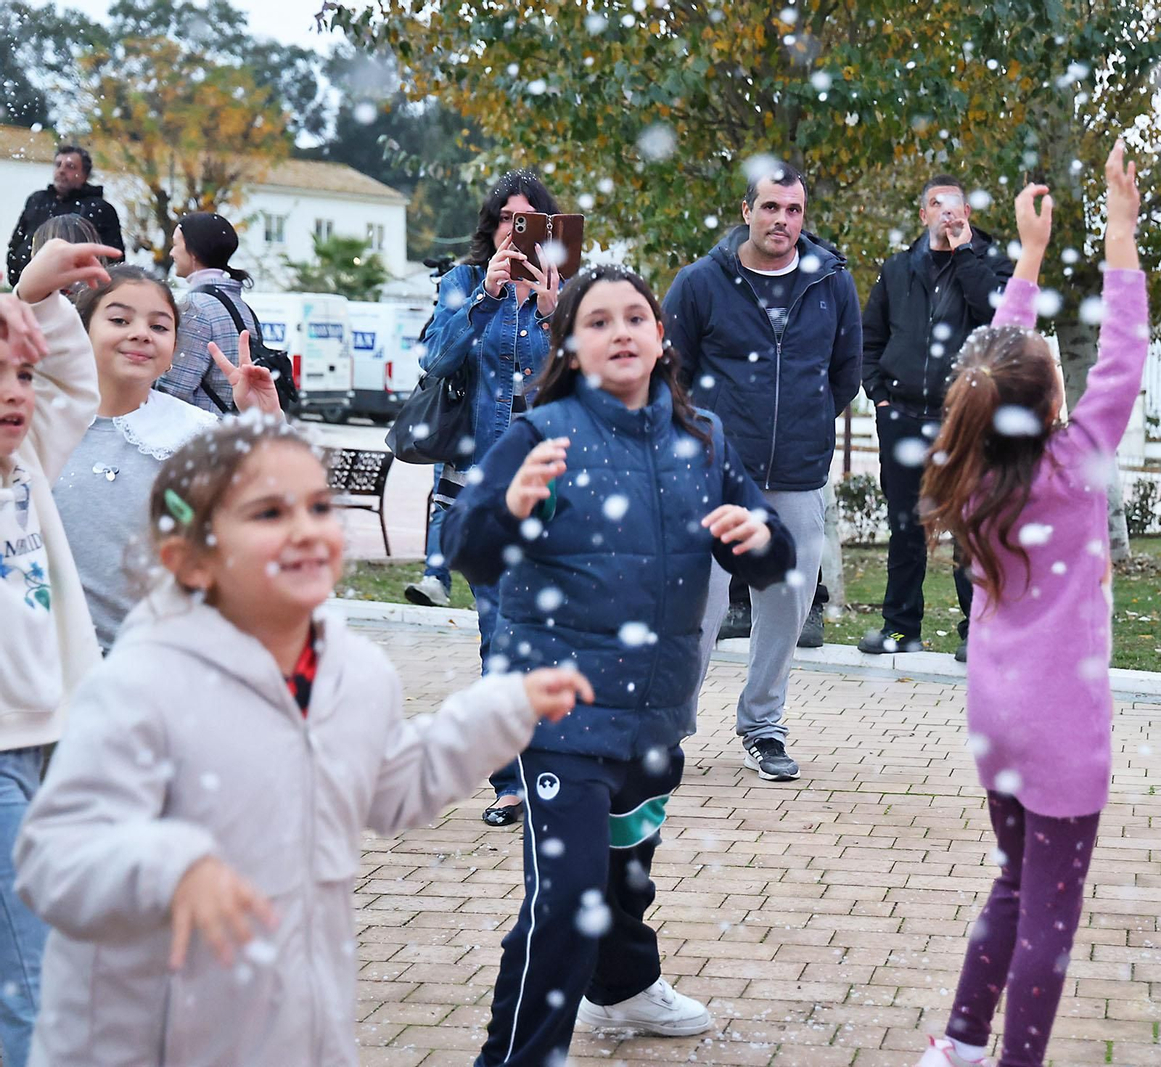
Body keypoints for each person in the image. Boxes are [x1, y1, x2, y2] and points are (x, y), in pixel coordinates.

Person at [15, 417, 593, 1067]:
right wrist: (168, 866)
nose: (304, 527)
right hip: (139, 1036)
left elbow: (393, 784)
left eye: (319, 506)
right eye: (267, 511)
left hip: (294, 1025)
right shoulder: (143, 685)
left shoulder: (355, 673)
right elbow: (54, 853)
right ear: (188, 557)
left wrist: (498, 710)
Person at [442, 265, 796, 1066]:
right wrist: (510, 509)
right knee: (565, 904)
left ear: (662, 335)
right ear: (571, 343)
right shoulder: (541, 435)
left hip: (655, 720)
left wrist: (760, 536)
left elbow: (777, 553)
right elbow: (467, 547)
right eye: (598, 320)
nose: (622, 331)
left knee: (622, 887)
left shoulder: (701, 437)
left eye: (636, 315)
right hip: (559, 716)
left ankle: (623, 993)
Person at [913, 145, 1145, 1067]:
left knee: (1015, 881)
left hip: (995, 716)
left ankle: (962, 1044)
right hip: (1061, 724)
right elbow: (1122, 355)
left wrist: (1029, 262)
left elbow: (991, 370)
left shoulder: (970, 468)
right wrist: (1120, 233)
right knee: (1051, 911)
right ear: (1052, 396)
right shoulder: (1075, 463)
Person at [665, 161, 862, 782]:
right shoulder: (701, 283)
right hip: (714, 473)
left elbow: (844, 374)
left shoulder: (831, 282)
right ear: (747, 211)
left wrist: (802, 424)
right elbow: (671, 372)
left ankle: (763, 724)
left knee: (786, 603)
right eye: (771, 207)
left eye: (794, 210)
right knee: (699, 606)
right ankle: (668, 730)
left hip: (799, 475)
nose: (783, 220)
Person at [403, 171, 562, 826]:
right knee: (500, 635)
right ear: (491, 226)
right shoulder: (465, 283)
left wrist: (558, 318)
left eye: (529, 219)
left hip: (560, 487)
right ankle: (511, 778)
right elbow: (434, 360)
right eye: (506, 218)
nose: (515, 229)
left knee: (556, 635)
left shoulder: (570, 291)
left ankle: (556, 766)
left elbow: (600, 376)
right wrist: (487, 299)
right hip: (484, 488)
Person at [0, 239, 118, 1067]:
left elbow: (76, 382)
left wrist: (37, 295)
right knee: (34, 989)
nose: (16, 396)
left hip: (49, 741)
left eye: (19, 378)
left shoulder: (25, 465)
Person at [55, 264, 281, 651]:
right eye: (120, 319)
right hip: (50, 666)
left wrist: (266, 421)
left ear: (174, 349)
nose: (140, 333)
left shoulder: (194, 435)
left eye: (159, 327)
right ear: (82, 331)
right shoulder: (45, 422)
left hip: (157, 663)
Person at [858, 175, 1012, 661]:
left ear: (967, 212)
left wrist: (965, 254)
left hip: (964, 420)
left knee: (971, 527)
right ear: (922, 214)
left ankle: (979, 633)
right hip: (901, 416)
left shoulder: (990, 263)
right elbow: (870, 340)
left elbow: (998, 315)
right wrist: (880, 398)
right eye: (935, 205)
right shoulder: (898, 269)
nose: (946, 213)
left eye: (954, 206)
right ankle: (901, 631)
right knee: (905, 528)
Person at [156, 212, 263, 415]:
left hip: (201, 436)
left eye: (176, 244)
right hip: (235, 431)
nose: (171, 253)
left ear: (193, 252)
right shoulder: (241, 306)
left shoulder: (194, 306)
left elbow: (175, 389)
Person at [7, 144, 125, 286]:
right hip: (30, 286)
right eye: (58, 165)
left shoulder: (100, 209)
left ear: (84, 175)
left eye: (70, 166)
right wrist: (16, 277)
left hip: (77, 292)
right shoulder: (37, 201)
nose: (62, 170)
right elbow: (17, 242)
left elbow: (114, 258)